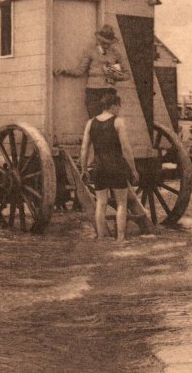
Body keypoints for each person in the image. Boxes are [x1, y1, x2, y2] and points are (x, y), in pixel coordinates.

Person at [80, 94, 139, 242]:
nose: (119, 109)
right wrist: (133, 169)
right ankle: (120, 239)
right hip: (116, 167)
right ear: (113, 106)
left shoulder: (90, 123)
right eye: (118, 106)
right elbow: (126, 149)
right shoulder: (118, 122)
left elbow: (84, 150)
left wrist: (84, 169)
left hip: (99, 167)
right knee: (121, 203)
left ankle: (101, 238)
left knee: (101, 203)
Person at [53, 24, 131, 118]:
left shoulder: (116, 54)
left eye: (108, 43)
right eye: (103, 42)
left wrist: (113, 75)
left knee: (109, 122)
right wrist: (64, 71)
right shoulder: (91, 51)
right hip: (93, 92)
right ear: (99, 40)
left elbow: (127, 74)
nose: (106, 45)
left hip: (109, 91)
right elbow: (80, 70)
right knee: (94, 121)